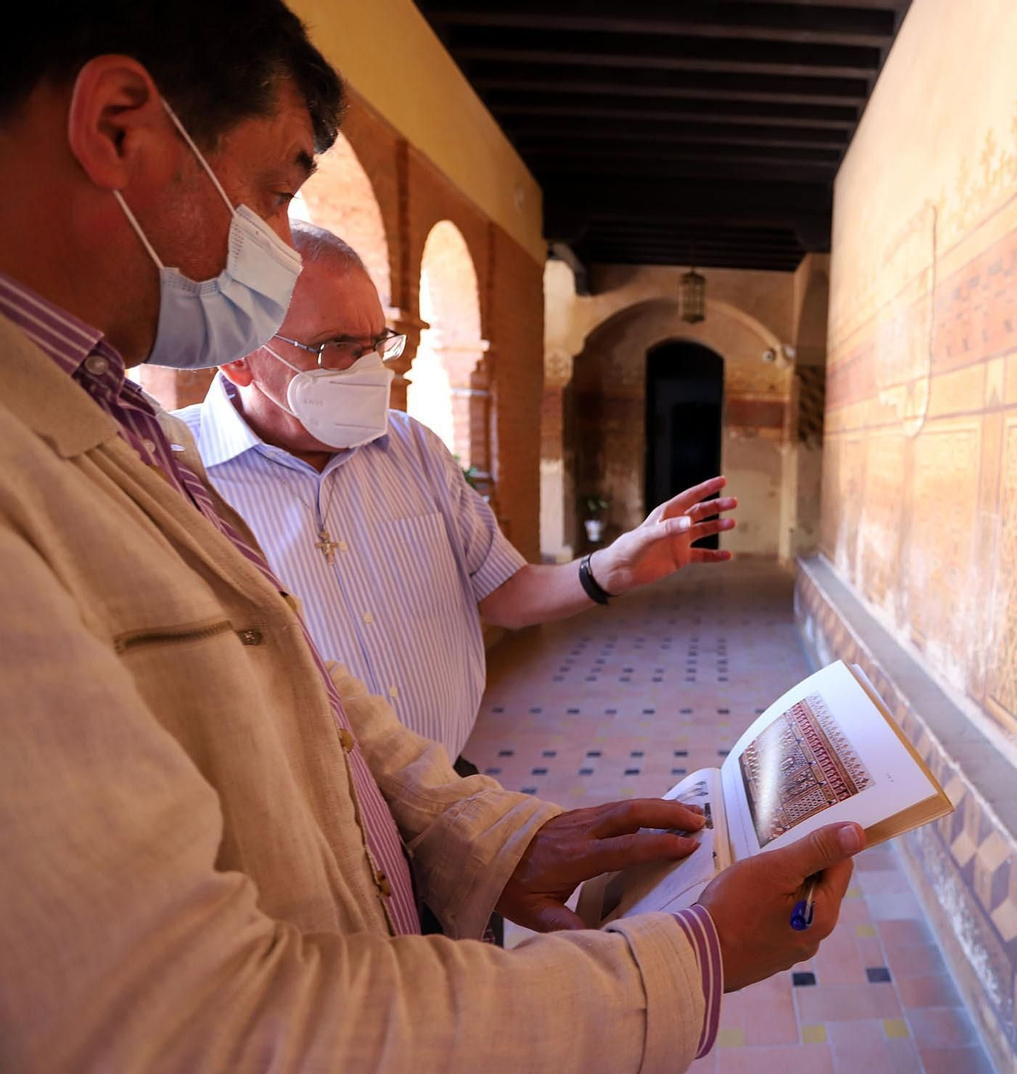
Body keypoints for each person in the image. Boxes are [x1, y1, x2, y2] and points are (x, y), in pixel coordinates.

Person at [0, 4, 859, 1070]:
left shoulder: (123, 427)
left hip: (402, 871)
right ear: (119, 127)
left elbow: (302, 684)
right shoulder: (68, 460)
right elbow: (196, 1023)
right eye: (274, 190)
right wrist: (685, 961)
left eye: (381, 341)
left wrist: (497, 839)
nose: (272, 240)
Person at [175, 222, 738, 765]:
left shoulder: (412, 449)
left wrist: (607, 569)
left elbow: (505, 592)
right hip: (315, 828)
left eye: (377, 344)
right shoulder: (173, 476)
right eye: (337, 346)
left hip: (449, 787)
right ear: (240, 356)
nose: (369, 369)